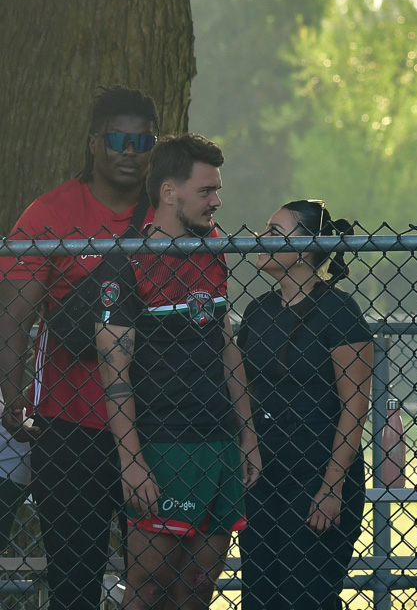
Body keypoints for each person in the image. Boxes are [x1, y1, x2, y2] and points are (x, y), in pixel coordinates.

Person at [0, 85, 157, 610]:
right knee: (74, 584)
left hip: (156, 424)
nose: (130, 152)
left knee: (155, 584)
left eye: (142, 142)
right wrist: (13, 393)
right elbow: (14, 317)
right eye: (118, 139)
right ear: (95, 143)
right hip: (69, 430)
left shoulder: (168, 212)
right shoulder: (50, 213)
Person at [94, 134, 258, 610]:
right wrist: (131, 459)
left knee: (198, 589)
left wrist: (246, 435)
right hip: (161, 444)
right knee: (148, 589)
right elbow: (113, 369)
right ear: (169, 192)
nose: (217, 200)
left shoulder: (212, 247)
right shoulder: (125, 260)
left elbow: (226, 346)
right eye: (206, 190)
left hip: (220, 441)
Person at [238, 200, 375, 610]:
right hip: (262, 473)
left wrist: (332, 485)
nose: (262, 239)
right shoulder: (258, 309)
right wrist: (247, 444)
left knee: (307, 596)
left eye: (276, 233)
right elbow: (244, 388)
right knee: (260, 595)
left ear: (306, 247)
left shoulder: (338, 310)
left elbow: (355, 407)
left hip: (317, 474)